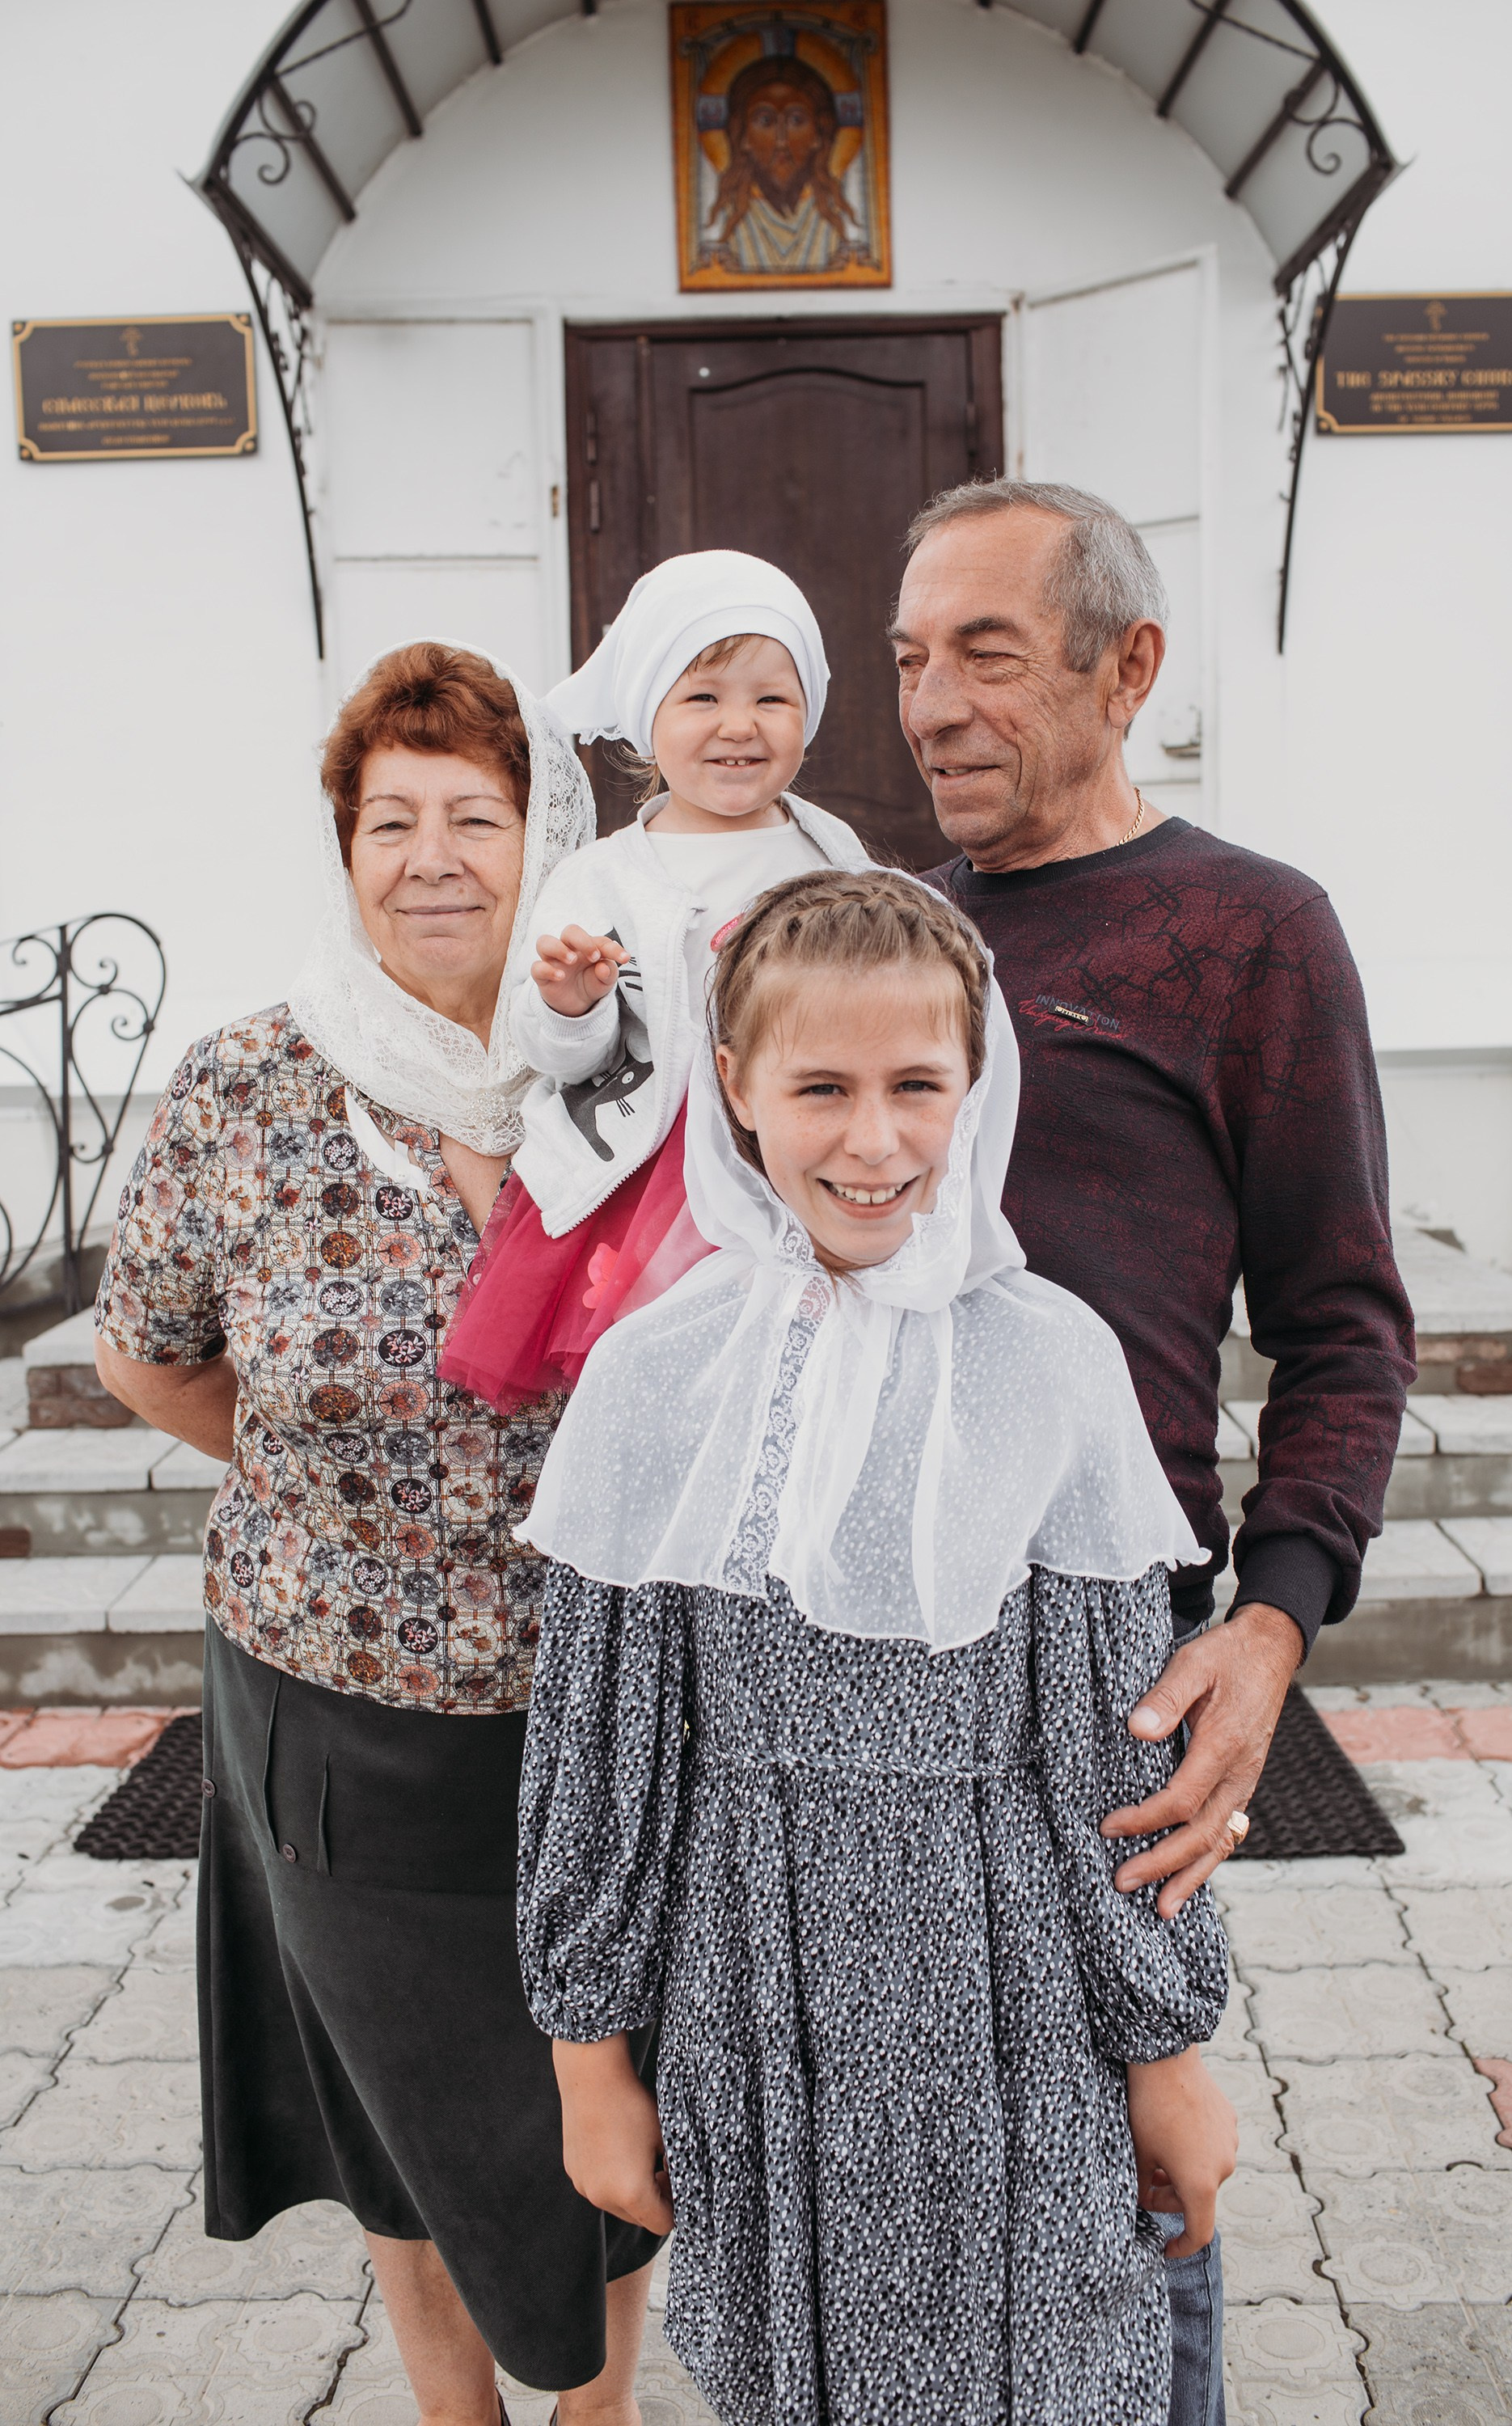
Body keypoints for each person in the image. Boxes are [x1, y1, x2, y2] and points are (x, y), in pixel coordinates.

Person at [514, 869, 1236, 2426]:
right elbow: (601, 1747)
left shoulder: (1047, 1360)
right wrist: (589, 2056)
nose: (873, 1139)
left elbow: (1114, 1745)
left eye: (917, 1085)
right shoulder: (658, 1376)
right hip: (754, 1983)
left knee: (1048, 2375)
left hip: (1016, 1988)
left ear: (977, 1089)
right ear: (738, 1091)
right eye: (821, 1088)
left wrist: (1165, 2040)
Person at [893, 479, 1417, 2419]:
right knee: (892, 2165)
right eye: (907, 658)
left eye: (986, 653)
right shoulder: (883, 937)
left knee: (1133, 2165)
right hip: (853, 1651)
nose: (932, 703)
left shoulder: (1244, 931)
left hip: (1106, 1658)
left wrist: (1266, 1627)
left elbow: (1343, 1323)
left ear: (1129, 668)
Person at [92, 643, 661, 2426]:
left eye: (474, 816)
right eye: (389, 817)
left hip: (608, 1700)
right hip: (334, 1696)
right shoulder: (249, 1084)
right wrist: (333, 1503)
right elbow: (146, 1350)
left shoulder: (634, 1080)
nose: (432, 857)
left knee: (615, 2079)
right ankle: (452, 2411)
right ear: (342, 845)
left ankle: (598, 2405)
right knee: (394, 2090)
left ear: (540, 836)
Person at [438, 551, 868, 1414]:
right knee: (664, 1379)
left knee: (798, 1371)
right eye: (702, 698)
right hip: (653, 1172)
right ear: (647, 716)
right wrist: (574, 1007)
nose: (738, 726)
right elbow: (562, 1052)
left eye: (770, 699)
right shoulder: (601, 877)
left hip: (795, 1155)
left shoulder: (833, 857)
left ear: (808, 715)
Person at [707, 55, 859, 277]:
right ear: (744, 137)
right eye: (765, 121)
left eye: (796, 120)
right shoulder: (725, 218)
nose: (781, 140)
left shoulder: (837, 215)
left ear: (818, 134)